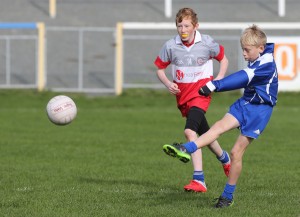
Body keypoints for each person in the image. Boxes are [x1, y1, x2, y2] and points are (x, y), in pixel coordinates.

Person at [163, 24, 278, 208]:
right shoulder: (259, 57)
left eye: (247, 50)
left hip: (260, 111)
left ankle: (227, 196)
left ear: (261, 48)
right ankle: (187, 148)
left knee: (235, 153)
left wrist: (215, 85)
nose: (244, 54)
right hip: (245, 103)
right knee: (217, 127)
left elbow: (243, 76)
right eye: (242, 50)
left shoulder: (266, 64)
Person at [154, 7, 230, 193]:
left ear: (196, 26)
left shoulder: (206, 43)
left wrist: (218, 78)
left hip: (201, 94)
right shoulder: (171, 46)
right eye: (179, 25)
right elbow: (159, 69)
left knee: (190, 132)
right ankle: (225, 159)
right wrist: (167, 83)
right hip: (183, 97)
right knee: (205, 134)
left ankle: (199, 179)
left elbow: (224, 59)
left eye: (187, 25)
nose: (183, 29)